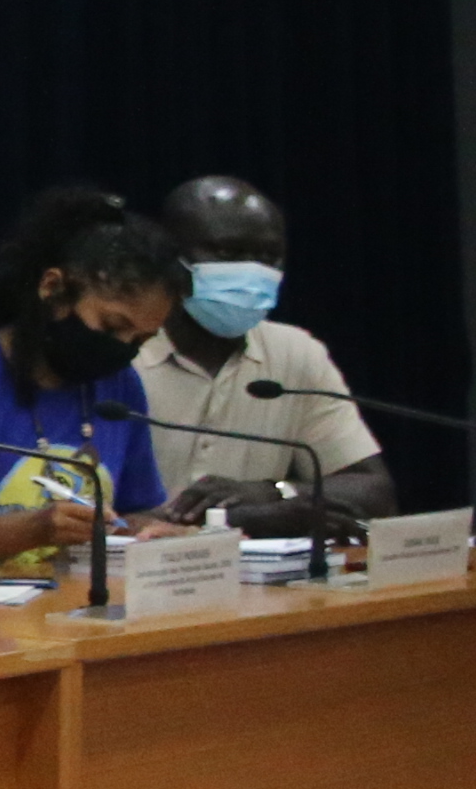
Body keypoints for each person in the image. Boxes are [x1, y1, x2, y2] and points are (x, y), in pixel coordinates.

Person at [0, 185, 186, 576]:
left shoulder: (119, 386)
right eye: (112, 326)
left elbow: (134, 510)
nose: (122, 350)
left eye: (140, 340)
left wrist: (153, 532)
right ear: (52, 288)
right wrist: (34, 530)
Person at [130, 176, 394, 532]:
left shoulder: (295, 353)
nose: (253, 270)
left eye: (269, 257)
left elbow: (374, 492)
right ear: (170, 256)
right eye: (229, 254)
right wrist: (234, 520)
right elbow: (90, 511)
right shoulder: (122, 349)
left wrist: (273, 492)